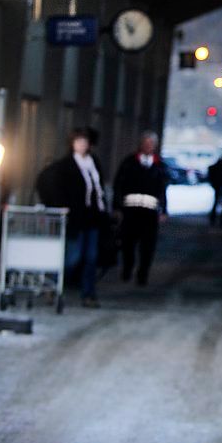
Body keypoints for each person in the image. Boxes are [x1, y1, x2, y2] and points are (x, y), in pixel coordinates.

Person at [35, 127, 109, 308]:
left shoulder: (94, 163)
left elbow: (99, 189)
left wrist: (104, 210)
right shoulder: (66, 165)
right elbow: (52, 184)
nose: (82, 145)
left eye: (84, 142)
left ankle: (88, 294)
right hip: (76, 218)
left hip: (93, 218)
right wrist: (61, 205)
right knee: (72, 257)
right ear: (72, 144)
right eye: (78, 142)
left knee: (91, 258)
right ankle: (52, 284)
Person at [113, 131, 169, 286]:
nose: (148, 146)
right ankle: (128, 268)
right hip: (131, 212)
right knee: (128, 243)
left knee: (148, 246)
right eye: (145, 143)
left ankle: (143, 274)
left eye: (151, 143)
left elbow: (163, 189)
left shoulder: (159, 165)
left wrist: (164, 210)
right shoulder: (129, 162)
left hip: (149, 213)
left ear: (155, 146)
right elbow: (119, 184)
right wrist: (117, 207)